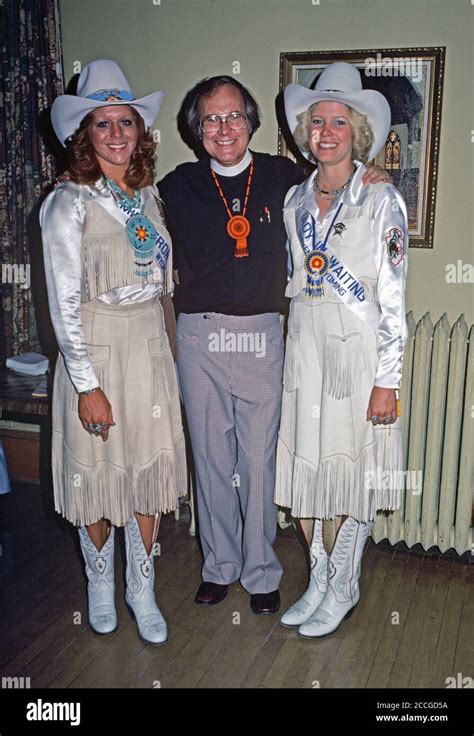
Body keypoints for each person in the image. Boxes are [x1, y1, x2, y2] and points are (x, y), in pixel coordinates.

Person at [158, 75, 388, 615]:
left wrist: (372, 175)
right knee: (211, 458)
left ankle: (261, 570)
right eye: (211, 119)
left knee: (258, 461)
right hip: (200, 334)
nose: (223, 128)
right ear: (196, 130)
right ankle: (219, 565)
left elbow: (336, 183)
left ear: (252, 122)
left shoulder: (286, 176)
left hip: (262, 334)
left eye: (234, 115)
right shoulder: (175, 184)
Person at [41, 59, 186, 645]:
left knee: (147, 475)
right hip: (95, 352)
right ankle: (102, 583)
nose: (117, 135)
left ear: (138, 130)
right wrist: (87, 384)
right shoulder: (67, 202)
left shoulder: (147, 196)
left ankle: (141, 588)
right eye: (103, 126)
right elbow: (62, 304)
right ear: (84, 135)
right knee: (98, 478)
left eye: (124, 122)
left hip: (147, 346)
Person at [275, 62, 408, 638]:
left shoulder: (382, 202)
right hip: (305, 350)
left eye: (338, 122)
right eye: (317, 121)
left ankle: (344, 586)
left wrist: (389, 379)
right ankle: (321, 578)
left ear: (357, 130)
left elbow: (396, 301)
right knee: (307, 475)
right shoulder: (294, 201)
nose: (325, 132)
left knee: (349, 475)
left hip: (356, 358)